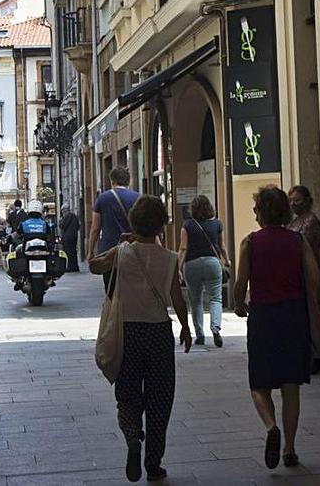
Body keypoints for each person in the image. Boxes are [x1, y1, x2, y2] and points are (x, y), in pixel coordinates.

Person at [89, 195, 192, 482]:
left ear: (134, 222)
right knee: (160, 400)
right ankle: (154, 463)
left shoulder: (122, 252)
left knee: (128, 395)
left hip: (128, 332)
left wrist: (118, 244)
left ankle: (133, 437)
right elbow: (177, 298)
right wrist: (185, 327)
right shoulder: (170, 258)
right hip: (159, 333)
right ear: (161, 225)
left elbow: (94, 265)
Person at [232, 186, 320, 470]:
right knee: (290, 387)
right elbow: (315, 278)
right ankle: (290, 448)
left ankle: (271, 427)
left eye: (256, 209)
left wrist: (239, 305)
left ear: (261, 212)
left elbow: (240, 284)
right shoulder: (297, 241)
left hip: (263, 318)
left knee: (259, 385)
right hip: (293, 316)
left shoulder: (250, 242)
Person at [287, 185, 320, 374]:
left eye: (298, 200)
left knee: (314, 315)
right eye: (291, 201)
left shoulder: (310, 221)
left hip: (307, 274)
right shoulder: (295, 222)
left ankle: (319, 355)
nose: (294, 204)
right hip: (296, 275)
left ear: (308, 201)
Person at [177, 195, 229, 348]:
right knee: (216, 298)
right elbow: (222, 246)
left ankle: (200, 335)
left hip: (191, 264)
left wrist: (178, 268)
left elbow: (183, 248)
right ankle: (215, 328)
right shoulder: (217, 224)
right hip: (212, 263)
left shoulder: (187, 225)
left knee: (196, 300)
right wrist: (227, 260)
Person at [88, 167, 140, 285]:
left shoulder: (102, 198)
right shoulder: (138, 197)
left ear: (112, 181)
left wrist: (90, 251)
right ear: (128, 181)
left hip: (109, 252)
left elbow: (95, 228)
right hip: (133, 249)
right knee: (132, 287)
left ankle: (112, 303)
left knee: (111, 286)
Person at [59, 205, 81, 272]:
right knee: (74, 252)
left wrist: (60, 221)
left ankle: (70, 267)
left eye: (62, 211)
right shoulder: (74, 216)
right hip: (74, 237)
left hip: (67, 238)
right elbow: (78, 226)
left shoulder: (65, 217)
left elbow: (62, 226)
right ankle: (75, 266)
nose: (62, 212)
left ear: (64, 210)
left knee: (68, 253)